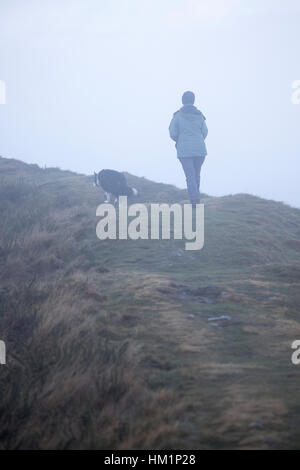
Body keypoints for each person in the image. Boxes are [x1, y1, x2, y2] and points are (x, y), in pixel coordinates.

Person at [169, 91, 208, 205]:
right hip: (200, 150)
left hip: (184, 150)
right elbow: (205, 132)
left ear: (182, 101)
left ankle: (195, 201)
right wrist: (198, 140)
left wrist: (180, 140)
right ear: (193, 100)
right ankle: (196, 198)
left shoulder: (178, 116)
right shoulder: (200, 116)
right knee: (196, 174)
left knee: (190, 176)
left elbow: (172, 133)